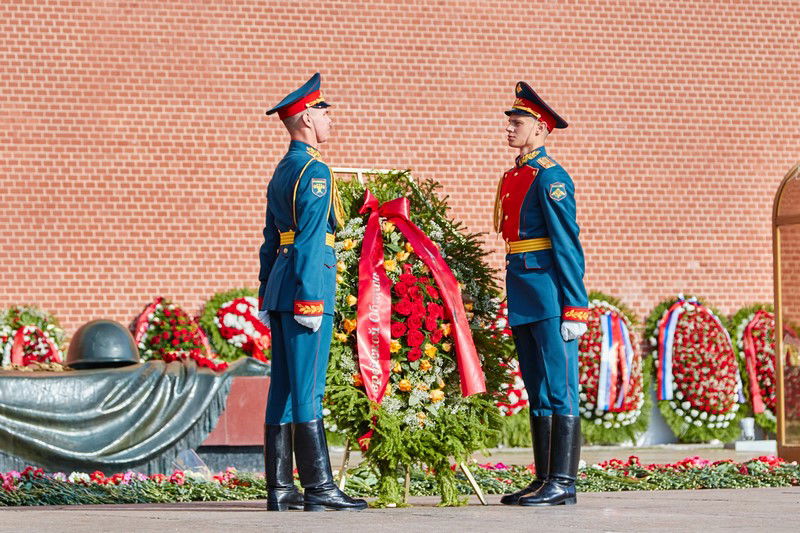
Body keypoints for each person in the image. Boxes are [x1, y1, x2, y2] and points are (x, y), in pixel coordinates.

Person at [258, 73, 367, 512]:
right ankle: (319, 487)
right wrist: (308, 298)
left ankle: (281, 488)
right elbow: (306, 241)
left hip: (283, 288)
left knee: (283, 388)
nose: (329, 119)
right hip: (307, 287)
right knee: (308, 390)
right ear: (305, 118)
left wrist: (268, 290)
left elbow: (270, 239)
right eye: (323, 111)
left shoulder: (284, 168)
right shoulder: (314, 169)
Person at [495, 82, 588, 507]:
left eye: (518, 122)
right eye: (510, 121)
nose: (509, 128)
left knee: (560, 388)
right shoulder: (516, 175)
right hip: (524, 290)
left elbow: (567, 244)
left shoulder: (551, 178)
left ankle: (564, 482)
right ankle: (544, 478)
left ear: (541, 128)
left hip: (551, 294)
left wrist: (574, 306)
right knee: (536, 387)